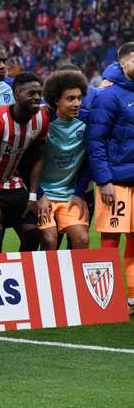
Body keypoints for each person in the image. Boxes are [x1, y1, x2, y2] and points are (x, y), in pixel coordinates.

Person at [86, 42, 134, 311]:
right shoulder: (108, 95)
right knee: (110, 240)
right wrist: (103, 180)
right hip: (115, 181)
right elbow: (96, 141)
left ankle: (131, 296)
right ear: (124, 63)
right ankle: (106, 299)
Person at [0, 72, 49, 253]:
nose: (36, 98)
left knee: (33, 234)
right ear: (17, 94)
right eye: (31, 93)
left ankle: (23, 276)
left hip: (14, 185)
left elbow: (39, 157)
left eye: (39, 93)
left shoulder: (42, 119)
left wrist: (33, 196)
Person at [38, 70, 91, 251]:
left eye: (79, 98)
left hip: (69, 195)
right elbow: (28, 163)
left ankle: (73, 279)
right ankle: (44, 279)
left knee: (82, 239)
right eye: (70, 99)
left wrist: (79, 192)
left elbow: (90, 161)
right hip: (43, 195)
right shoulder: (42, 121)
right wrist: (37, 195)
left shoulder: (88, 122)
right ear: (55, 100)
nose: (77, 104)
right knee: (49, 240)